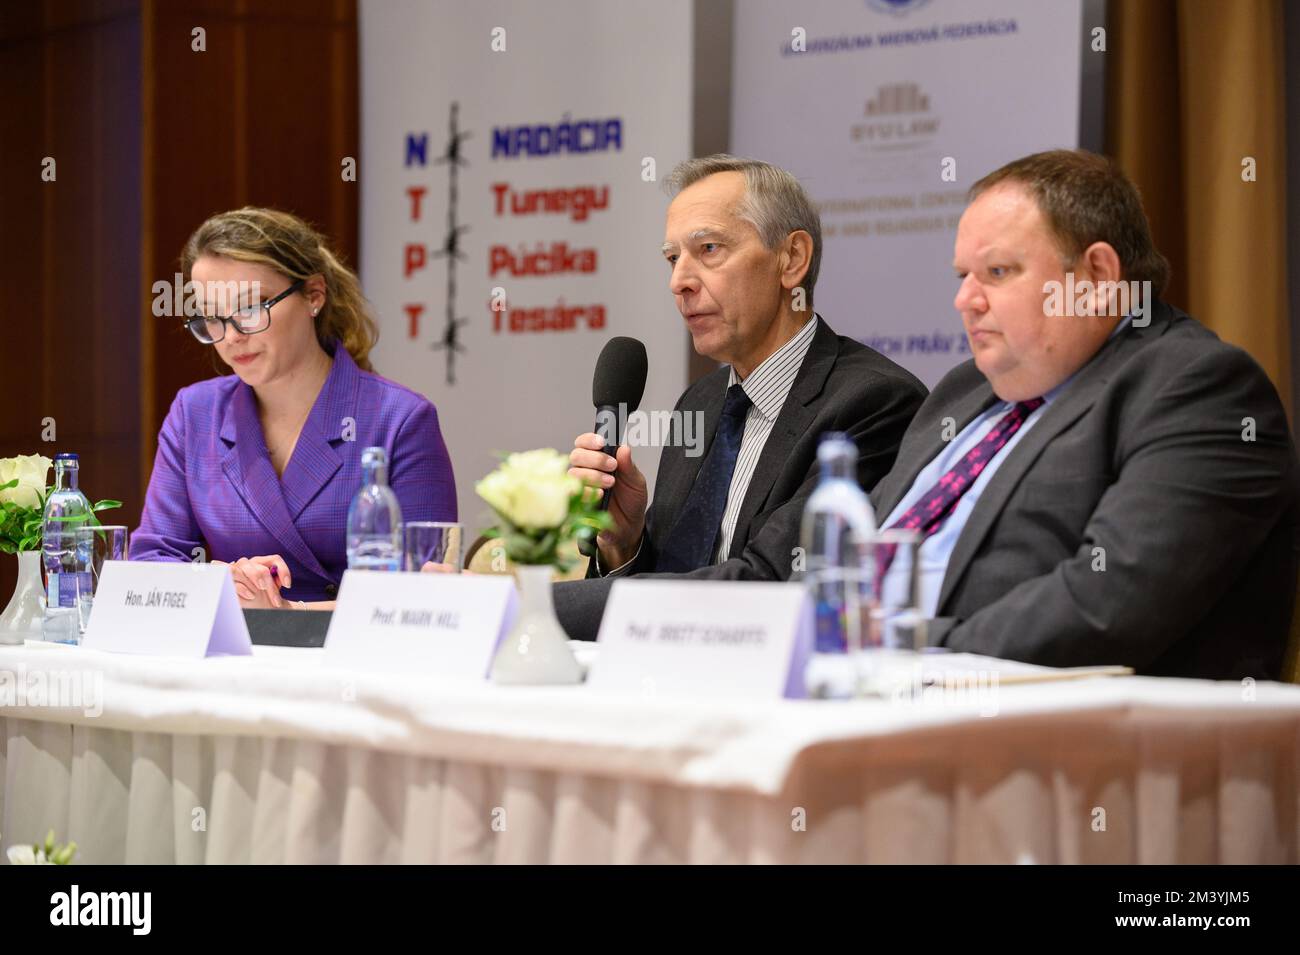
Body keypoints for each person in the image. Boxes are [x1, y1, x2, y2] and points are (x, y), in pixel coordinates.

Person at [868, 149, 1298, 679]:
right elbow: (850, 543)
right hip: (866, 691)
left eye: (997, 272)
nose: (965, 300)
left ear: (1095, 277)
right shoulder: (963, 390)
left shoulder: (1199, 388)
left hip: (1048, 729)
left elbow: (1111, 602)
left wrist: (905, 645)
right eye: (963, 274)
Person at [551, 155, 927, 641]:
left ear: (791, 259)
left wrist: (536, 605)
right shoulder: (700, 404)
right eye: (672, 258)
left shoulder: (872, 403)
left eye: (708, 249)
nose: (679, 281)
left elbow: (765, 588)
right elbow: (675, 581)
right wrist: (625, 546)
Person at [132, 208, 456, 607]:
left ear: (313, 296)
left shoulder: (400, 419)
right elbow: (151, 564)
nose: (231, 336)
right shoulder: (194, 413)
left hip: (356, 658)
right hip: (231, 659)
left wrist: (289, 612)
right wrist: (221, 579)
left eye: (250, 308)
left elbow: (426, 590)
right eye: (212, 318)